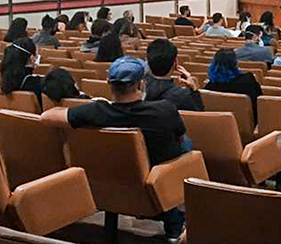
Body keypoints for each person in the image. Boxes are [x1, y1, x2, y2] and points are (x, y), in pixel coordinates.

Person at [40, 56, 188, 241]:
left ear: (109, 84)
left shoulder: (95, 112)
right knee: (183, 144)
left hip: (108, 183)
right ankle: (175, 223)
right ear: (140, 84)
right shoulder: (164, 110)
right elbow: (180, 136)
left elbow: (46, 117)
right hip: (154, 181)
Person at [145, 38, 203, 111]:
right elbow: (198, 116)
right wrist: (194, 90)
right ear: (175, 63)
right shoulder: (182, 96)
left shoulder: (137, 88)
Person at [205, 48, 263, 121]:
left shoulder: (209, 86)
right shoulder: (248, 80)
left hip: (219, 124)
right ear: (235, 63)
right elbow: (259, 103)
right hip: (248, 123)